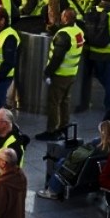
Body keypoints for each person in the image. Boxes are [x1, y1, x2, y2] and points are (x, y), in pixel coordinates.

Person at [37, 7, 85, 140]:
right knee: (65, 102)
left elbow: (57, 57)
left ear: (65, 18)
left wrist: (47, 72)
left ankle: (52, 131)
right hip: (72, 73)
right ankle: (64, 128)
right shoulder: (78, 31)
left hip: (60, 75)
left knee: (54, 103)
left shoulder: (64, 35)